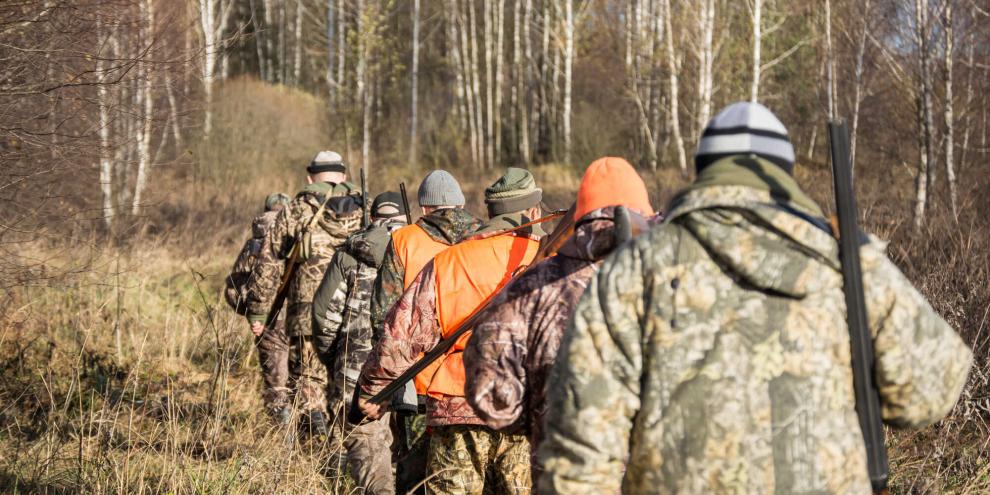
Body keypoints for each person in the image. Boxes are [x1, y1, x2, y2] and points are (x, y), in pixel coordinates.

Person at [536, 102, 973, 494]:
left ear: (704, 170)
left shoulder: (635, 268)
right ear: (785, 173)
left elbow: (581, 447)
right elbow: (930, 393)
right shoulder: (845, 262)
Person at [463, 157, 655, 487]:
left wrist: (538, 418)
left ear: (580, 215)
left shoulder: (531, 288)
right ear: (646, 212)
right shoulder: (678, 277)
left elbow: (493, 398)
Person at [358, 168, 546, 494]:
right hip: (523, 407)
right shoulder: (549, 263)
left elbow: (402, 333)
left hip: (455, 403)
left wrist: (373, 390)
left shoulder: (450, 260)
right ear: (533, 212)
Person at [369, 169, 481, 493]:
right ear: (460, 204)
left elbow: (382, 316)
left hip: (417, 382)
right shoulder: (485, 239)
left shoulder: (403, 239)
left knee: (414, 471)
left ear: (425, 208)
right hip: (472, 379)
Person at [243, 151, 364, 438]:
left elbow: (270, 262)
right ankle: (343, 439)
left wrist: (259, 311)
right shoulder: (366, 206)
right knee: (348, 374)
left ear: (310, 177)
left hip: (307, 308)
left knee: (310, 375)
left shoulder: (298, 208)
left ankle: (315, 426)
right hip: (355, 305)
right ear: (344, 176)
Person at [311, 191, 408, 495]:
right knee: (413, 444)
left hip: (357, 369)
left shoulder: (350, 254)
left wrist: (335, 355)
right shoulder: (420, 251)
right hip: (415, 368)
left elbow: (323, 315)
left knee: (367, 441)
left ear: (373, 218)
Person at [225, 192, 292, 422]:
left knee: (276, 383)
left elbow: (233, 289)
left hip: (267, 324)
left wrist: (253, 313)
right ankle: (311, 441)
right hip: (303, 318)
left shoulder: (253, 245)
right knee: (305, 379)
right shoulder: (300, 239)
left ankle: (282, 441)